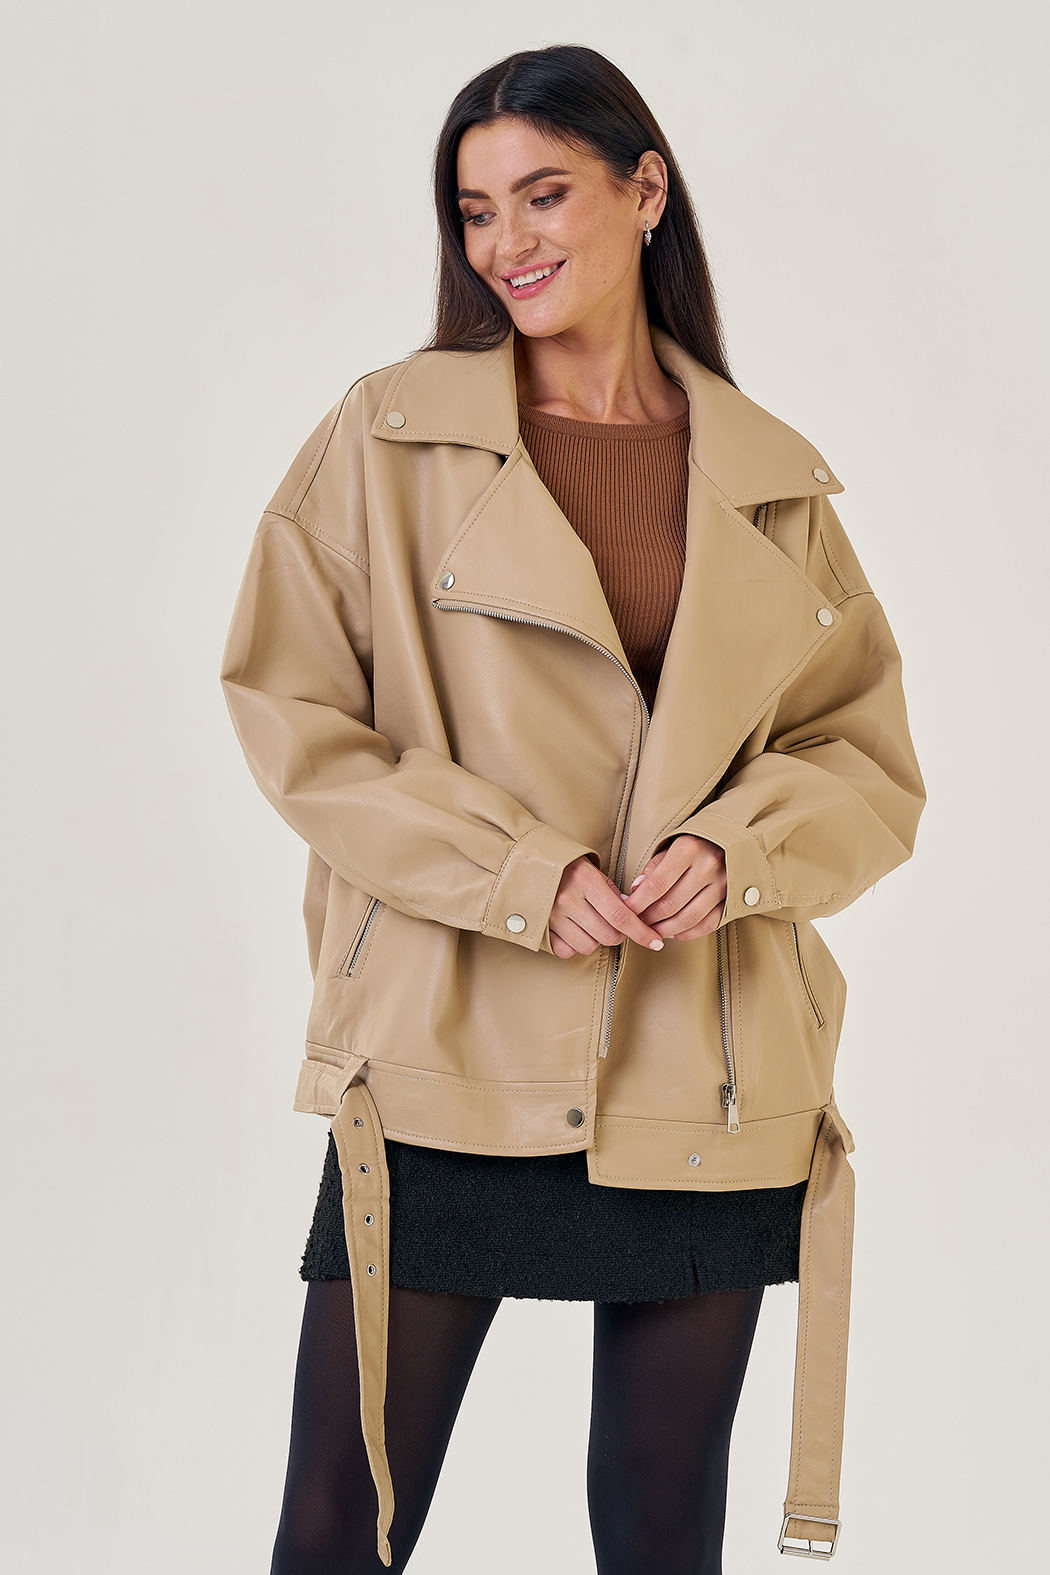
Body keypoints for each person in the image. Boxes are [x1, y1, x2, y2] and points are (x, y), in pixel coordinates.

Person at [221, 44, 925, 1575]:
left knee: (663, 1538)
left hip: (702, 1073)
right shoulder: (388, 435)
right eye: (474, 210)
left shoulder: (766, 477)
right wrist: (516, 871)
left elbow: (863, 759)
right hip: (443, 1046)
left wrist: (736, 851)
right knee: (338, 1528)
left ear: (644, 190)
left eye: (542, 195)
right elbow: (294, 715)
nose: (505, 242)